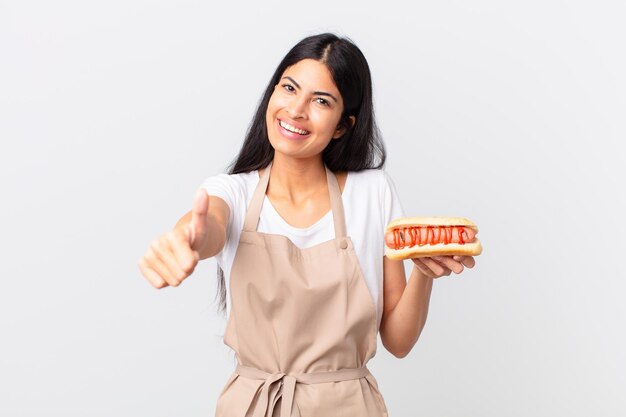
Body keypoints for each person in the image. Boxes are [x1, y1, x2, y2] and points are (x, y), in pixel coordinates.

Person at [138, 33, 475, 417]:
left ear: (342, 126)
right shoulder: (233, 192)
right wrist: (187, 240)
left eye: (320, 101)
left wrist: (423, 273)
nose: (296, 110)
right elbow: (208, 225)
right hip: (253, 405)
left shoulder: (372, 193)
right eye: (289, 88)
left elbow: (398, 342)